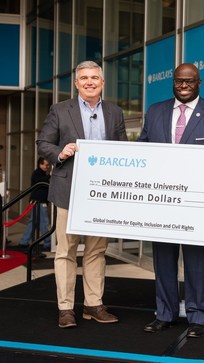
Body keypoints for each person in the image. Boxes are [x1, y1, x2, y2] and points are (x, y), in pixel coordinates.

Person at [138, 63, 204, 338]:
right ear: (173, 81)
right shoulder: (155, 111)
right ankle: (165, 314)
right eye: (179, 81)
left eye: (189, 82)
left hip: (197, 204)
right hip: (162, 201)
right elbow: (143, 151)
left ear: (199, 83)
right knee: (164, 261)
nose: (183, 86)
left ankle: (198, 317)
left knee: (197, 263)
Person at [37, 60, 128, 328]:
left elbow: (123, 149)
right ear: (76, 83)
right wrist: (60, 153)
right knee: (65, 251)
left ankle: (93, 304)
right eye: (84, 78)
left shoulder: (114, 112)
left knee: (96, 250)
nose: (90, 82)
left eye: (94, 77)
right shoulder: (60, 110)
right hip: (68, 191)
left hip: (101, 194)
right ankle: (66, 308)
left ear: (102, 82)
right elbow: (43, 143)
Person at [19, 157, 51, 251]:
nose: (47, 167)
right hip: (39, 201)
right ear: (40, 164)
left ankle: (24, 241)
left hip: (37, 201)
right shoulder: (37, 174)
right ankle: (47, 243)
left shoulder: (41, 173)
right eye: (46, 165)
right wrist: (50, 176)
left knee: (33, 222)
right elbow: (42, 181)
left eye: (48, 165)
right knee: (44, 222)